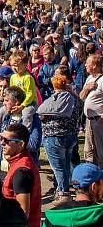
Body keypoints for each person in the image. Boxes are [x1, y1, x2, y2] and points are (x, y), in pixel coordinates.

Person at [39, 73, 82, 203]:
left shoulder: (56, 99)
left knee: (58, 167)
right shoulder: (74, 99)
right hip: (70, 137)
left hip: (55, 137)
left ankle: (63, 192)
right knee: (65, 165)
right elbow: (80, 107)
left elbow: (41, 111)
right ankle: (63, 190)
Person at [0, 123, 42, 227]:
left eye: (7, 140)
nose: (2, 143)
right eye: (1, 138)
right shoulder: (19, 163)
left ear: (21, 144)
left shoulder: (21, 171)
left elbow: (23, 211)